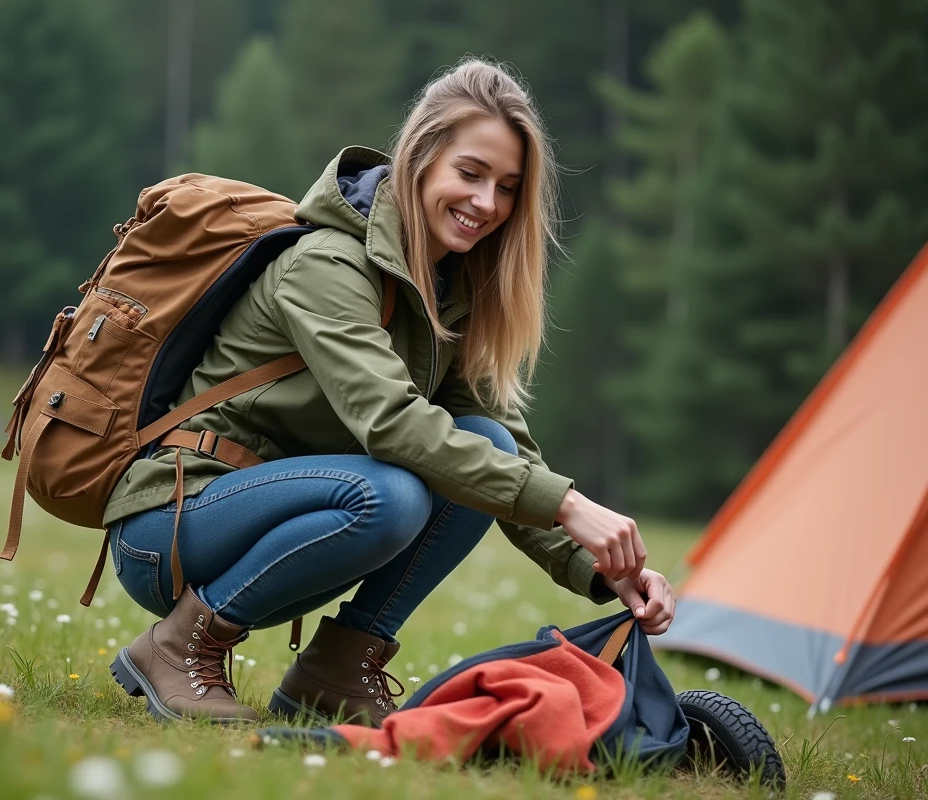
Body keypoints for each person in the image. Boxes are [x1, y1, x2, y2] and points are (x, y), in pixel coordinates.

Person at [104, 59, 675, 726]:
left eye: (508, 187)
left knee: (483, 443)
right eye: (471, 173)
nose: (487, 203)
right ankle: (177, 647)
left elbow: (504, 447)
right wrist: (569, 505)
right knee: (388, 493)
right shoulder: (327, 265)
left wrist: (603, 566)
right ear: (421, 157)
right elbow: (394, 427)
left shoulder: (446, 290)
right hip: (177, 521)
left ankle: (337, 668)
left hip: (282, 523)